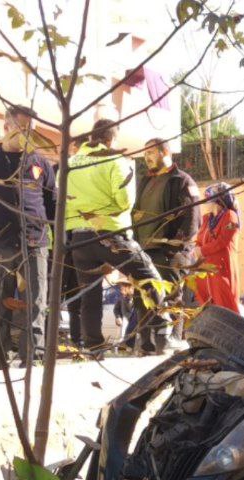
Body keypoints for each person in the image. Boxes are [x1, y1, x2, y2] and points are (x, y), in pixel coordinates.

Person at [64, 119, 165, 352]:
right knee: (151, 279)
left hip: (79, 237)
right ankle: (161, 335)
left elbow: (63, 201)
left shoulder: (70, 163)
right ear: (111, 139)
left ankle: (93, 346)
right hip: (110, 232)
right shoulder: (115, 160)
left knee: (89, 293)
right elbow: (125, 202)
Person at [0, 106, 55, 365]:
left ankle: (33, 357)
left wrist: (55, 237)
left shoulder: (40, 163)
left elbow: (52, 202)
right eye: (23, 129)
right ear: (6, 128)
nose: (28, 135)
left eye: (32, 131)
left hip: (35, 241)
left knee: (36, 302)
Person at [133, 137, 200, 353]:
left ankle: (171, 339)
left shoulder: (181, 180)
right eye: (144, 153)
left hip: (170, 252)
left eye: (151, 152)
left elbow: (193, 217)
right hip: (143, 250)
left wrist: (177, 246)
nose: (146, 157)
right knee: (143, 296)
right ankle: (145, 343)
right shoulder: (144, 181)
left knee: (171, 296)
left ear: (165, 151)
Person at [194, 183, 241, 312]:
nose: (205, 203)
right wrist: (197, 248)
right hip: (205, 272)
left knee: (225, 308)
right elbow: (199, 239)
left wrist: (202, 250)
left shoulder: (231, 216)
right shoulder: (206, 219)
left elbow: (223, 241)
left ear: (216, 201)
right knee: (207, 309)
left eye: (207, 199)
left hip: (221, 271)